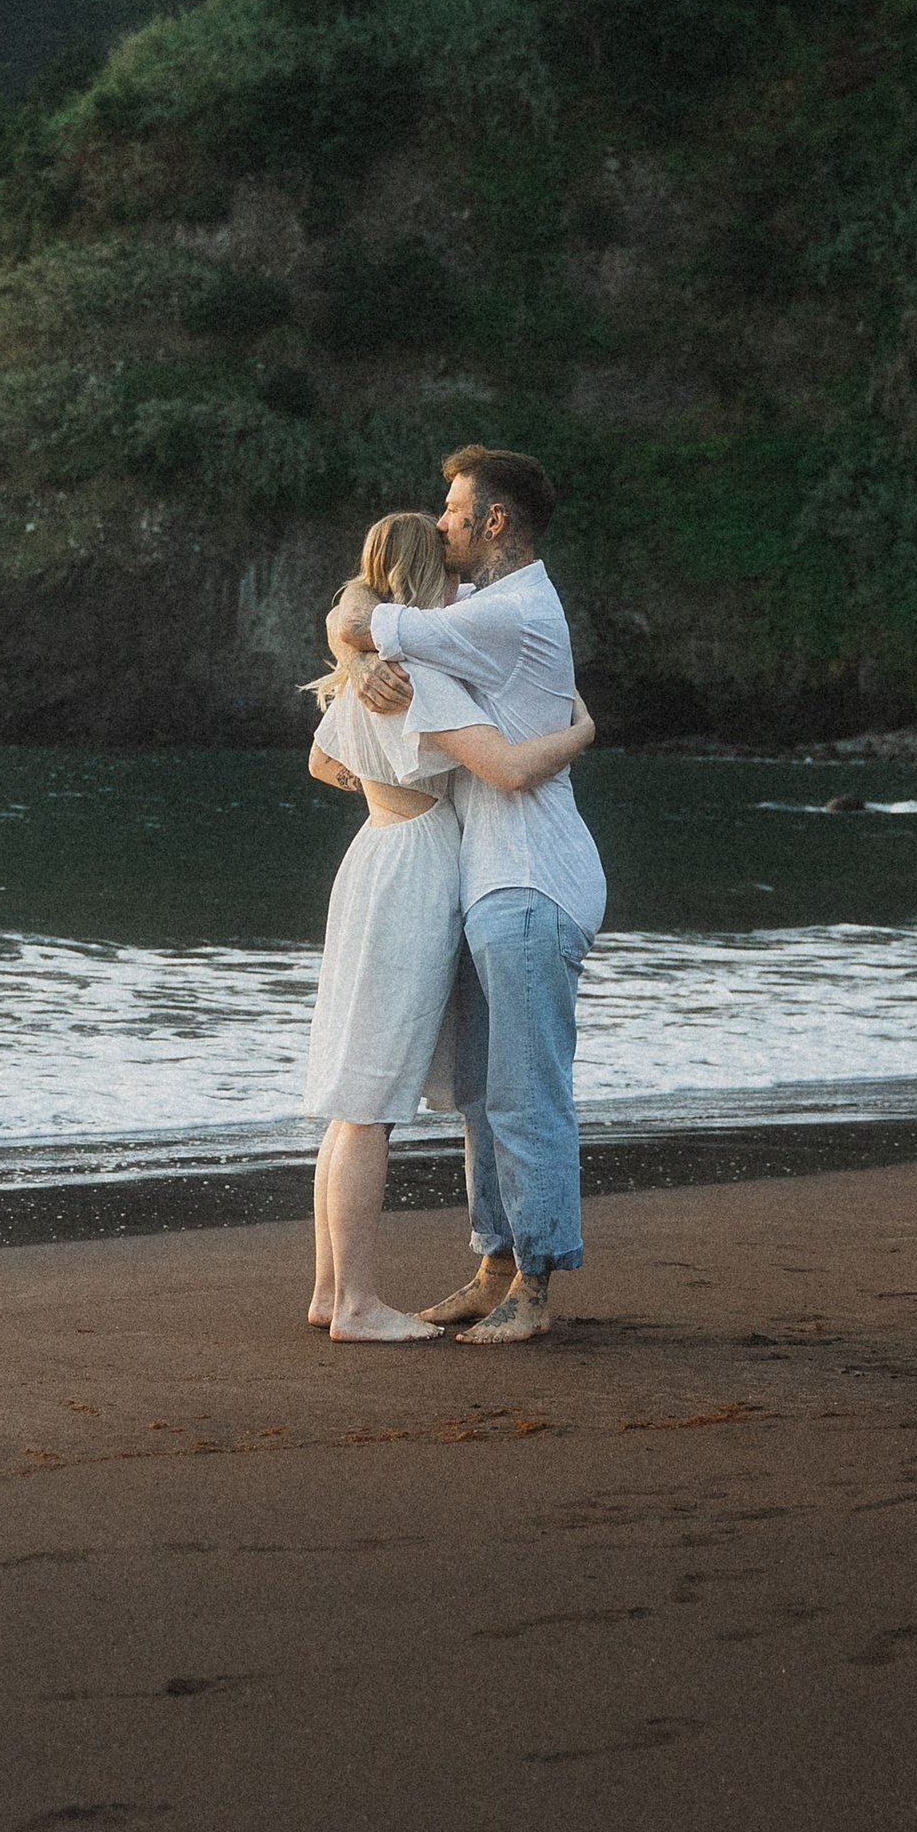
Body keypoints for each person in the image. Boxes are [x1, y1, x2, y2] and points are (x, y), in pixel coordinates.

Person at [335, 445, 604, 1345]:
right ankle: (495, 1265)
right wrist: (358, 641)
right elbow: (358, 608)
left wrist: (362, 644)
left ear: (494, 522)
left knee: (527, 1094)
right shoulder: (478, 608)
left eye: (453, 510)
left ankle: (536, 1280)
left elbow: (371, 620)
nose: (440, 520)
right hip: (484, 882)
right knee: (484, 1098)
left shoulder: (513, 611)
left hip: (531, 879)